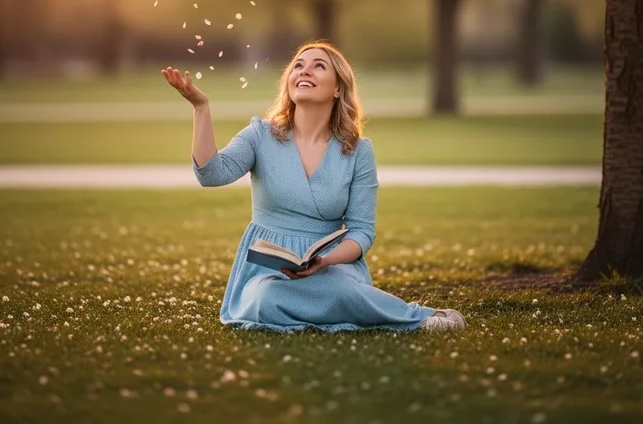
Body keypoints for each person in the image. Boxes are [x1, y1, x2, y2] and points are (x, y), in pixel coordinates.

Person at [162, 40, 467, 333]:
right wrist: (200, 107)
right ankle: (342, 312)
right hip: (269, 270)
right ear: (289, 82)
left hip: (332, 267)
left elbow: (362, 231)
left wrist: (325, 261)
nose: (304, 71)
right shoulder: (259, 135)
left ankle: (416, 318)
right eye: (298, 65)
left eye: (318, 66)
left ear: (337, 88)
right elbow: (211, 174)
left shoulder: (358, 151)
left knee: (343, 291)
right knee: (264, 300)